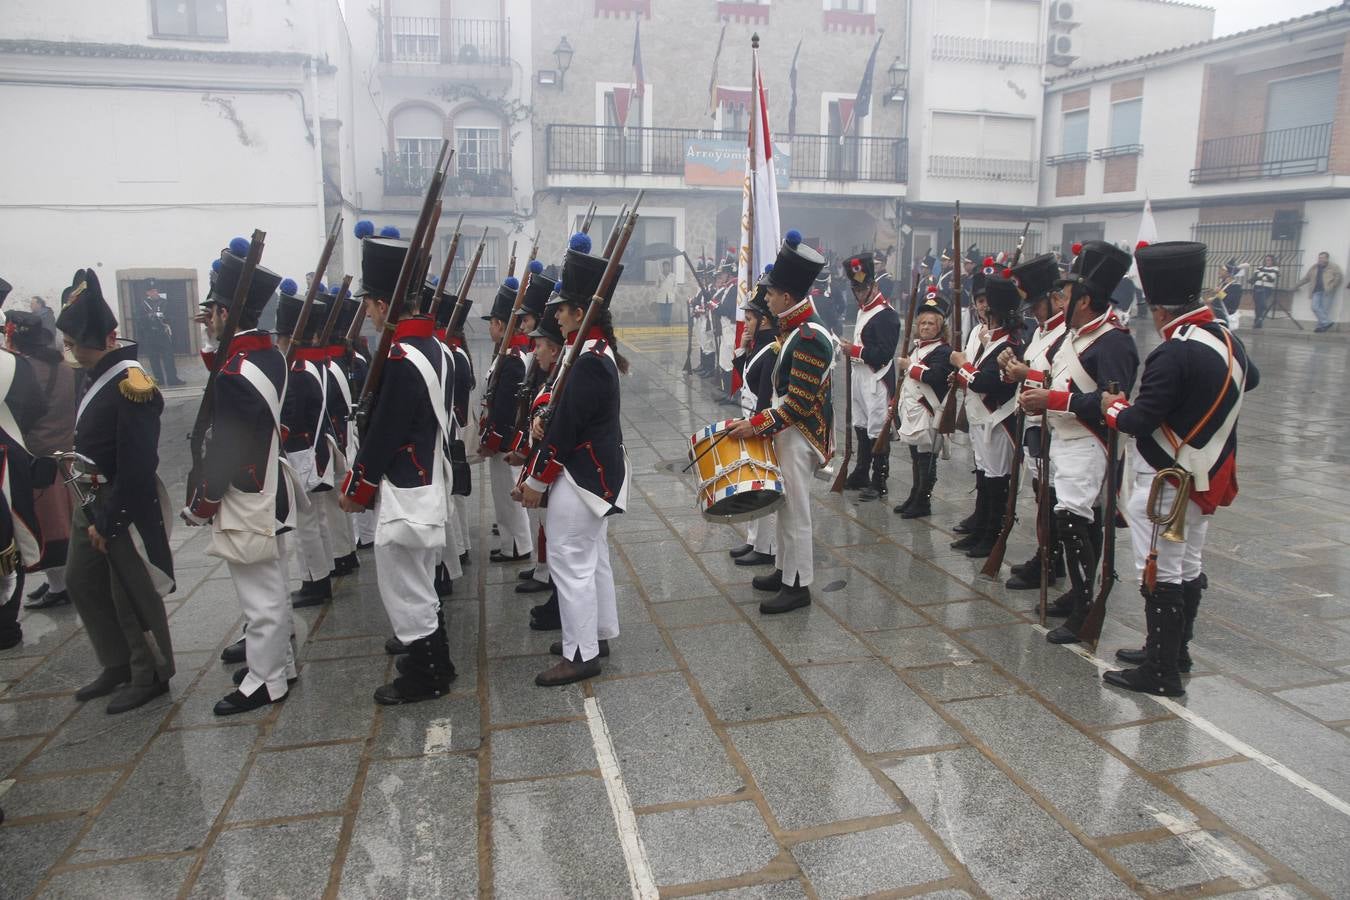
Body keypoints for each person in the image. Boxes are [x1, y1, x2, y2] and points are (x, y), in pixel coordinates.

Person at [1100, 240, 1260, 696]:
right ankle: (1173, 652)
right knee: (1187, 565)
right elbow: (1251, 379)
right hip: (1206, 471)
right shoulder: (1226, 339)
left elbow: (1139, 420)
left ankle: (1160, 671)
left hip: (1168, 477)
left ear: (1158, 309)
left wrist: (1112, 407)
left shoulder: (1173, 352)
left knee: (1160, 571)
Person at [339, 222, 456, 705]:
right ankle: (437, 662)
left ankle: (425, 676)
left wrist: (357, 487)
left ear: (385, 305)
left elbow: (385, 432)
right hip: (428, 480)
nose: (367, 312)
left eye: (370, 304)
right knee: (419, 579)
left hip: (406, 486)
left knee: (405, 585)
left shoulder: (402, 358)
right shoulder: (435, 347)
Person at [183, 240, 297, 716]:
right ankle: (280, 664)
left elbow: (225, 448)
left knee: (259, 596)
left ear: (226, 312)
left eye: (212, 312)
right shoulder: (268, 356)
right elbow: (228, 371)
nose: (207, 319)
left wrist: (202, 503)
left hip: (249, 493)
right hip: (273, 484)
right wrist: (217, 337)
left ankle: (265, 680)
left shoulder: (235, 371)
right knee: (273, 585)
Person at [56, 268, 177, 712]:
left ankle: (151, 672)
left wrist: (111, 521)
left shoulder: (130, 382)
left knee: (129, 591)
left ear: (100, 340)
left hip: (120, 498)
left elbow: (138, 464)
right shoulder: (94, 373)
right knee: (80, 579)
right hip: (89, 495)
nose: (70, 351)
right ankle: (117, 662)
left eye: (74, 343)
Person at [519, 231, 630, 686]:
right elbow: (562, 411)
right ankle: (596, 634)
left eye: (563, 309)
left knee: (571, 561)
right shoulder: (587, 353)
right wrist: (543, 416)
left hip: (583, 474)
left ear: (580, 314)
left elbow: (567, 429)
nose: (556, 316)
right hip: (591, 471)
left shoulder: (587, 360)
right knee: (590, 557)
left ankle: (581, 654)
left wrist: (536, 481)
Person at [1019, 241, 1139, 644]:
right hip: (1064, 437)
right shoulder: (1070, 336)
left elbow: (1111, 403)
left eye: (1065, 295)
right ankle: (1079, 593)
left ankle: (1085, 606)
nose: (1059, 301)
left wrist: (1052, 400)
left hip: (1089, 442)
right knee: (1076, 518)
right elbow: (1054, 379)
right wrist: (1022, 376)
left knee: (1073, 519)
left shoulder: (1114, 341)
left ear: (1084, 300)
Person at [726, 230, 833, 615]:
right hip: (787, 432)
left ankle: (798, 585)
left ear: (787, 297)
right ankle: (785, 571)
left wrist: (756, 425)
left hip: (799, 435)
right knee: (785, 507)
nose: (766, 298)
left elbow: (799, 405)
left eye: (770, 293)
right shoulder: (795, 330)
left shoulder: (808, 337)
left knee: (796, 512)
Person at [999, 252, 1068, 590]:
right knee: (1042, 494)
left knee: (1053, 498)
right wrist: (1010, 367)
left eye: (1038, 305)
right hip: (1035, 423)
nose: (1035, 313)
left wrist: (1025, 373)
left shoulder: (1066, 332)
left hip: (1057, 425)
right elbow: (1031, 370)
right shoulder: (1042, 332)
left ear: (1055, 299)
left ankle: (1051, 559)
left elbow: (1064, 380)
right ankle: (1048, 553)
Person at [5, 310, 77, 611]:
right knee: (64, 525)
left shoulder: (22, 370)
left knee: (47, 529)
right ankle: (58, 582)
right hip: (64, 453)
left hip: (37, 456)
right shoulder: (64, 366)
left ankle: (60, 586)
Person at [949, 263, 1020, 559]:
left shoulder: (1010, 342)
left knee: (996, 479)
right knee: (984, 475)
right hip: (981, 416)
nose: (982, 307)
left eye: (987, 303)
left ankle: (992, 536)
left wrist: (961, 365)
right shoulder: (987, 335)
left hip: (998, 419)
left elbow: (985, 382)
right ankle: (981, 529)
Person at [273, 279, 335, 608]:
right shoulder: (307, 366)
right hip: (312, 450)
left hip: (302, 453)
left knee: (307, 524)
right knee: (317, 520)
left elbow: (292, 419)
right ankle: (322, 573)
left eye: (281, 337)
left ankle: (315, 581)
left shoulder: (296, 371)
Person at [478, 273, 536, 563]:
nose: (490, 328)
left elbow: (504, 408)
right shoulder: (510, 354)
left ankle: (517, 546)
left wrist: (493, 441)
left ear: (500, 325)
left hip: (505, 440)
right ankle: (511, 543)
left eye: (491, 323)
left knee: (506, 495)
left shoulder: (513, 360)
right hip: (504, 438)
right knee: (503, 495)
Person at [727, 267, 780, 567]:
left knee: (763, 483)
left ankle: (767, 547)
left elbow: (764, 394)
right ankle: (754, 540)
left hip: (760, 423)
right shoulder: (758, 345)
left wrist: (758, 427)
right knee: (752, 480)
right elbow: (747, 378)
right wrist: (744, 348)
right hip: (750, 419)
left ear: (764, 320)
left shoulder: (772, 349)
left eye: (749, 319)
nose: (745, 324)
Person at [510, 267, 558, 596]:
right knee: (541, 519)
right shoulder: (537, 359)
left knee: (547, 519)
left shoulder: (549, 363)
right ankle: (543, 568)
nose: (523, 326)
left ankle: (547, 572)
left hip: (547, 453)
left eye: (527, 320)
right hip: (534, 447)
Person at [0, 275, 42, 652]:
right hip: (8, 455)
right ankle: (5, 624)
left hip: (6, 461)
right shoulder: (15, 365)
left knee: (9, 538)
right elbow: (32, 408)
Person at [840, 252, 901, 502]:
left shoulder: (886, 314)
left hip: (877, 378)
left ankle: (879, 479)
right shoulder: (863, 310)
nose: (859, 293)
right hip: (860, 375)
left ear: (874, 285)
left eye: (863, 288)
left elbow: (884, 354)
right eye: (856, 289)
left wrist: (854, 351)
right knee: (861, 423)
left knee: (878, 428)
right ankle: (862, 471)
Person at [892, 283, 953, 519]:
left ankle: (923, 501)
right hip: (913, 410)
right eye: (923, 323)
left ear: (940, 327)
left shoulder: (943, 351)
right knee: (916, 456)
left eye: (931, 323)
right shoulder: (918, 348)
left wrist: (910, 367)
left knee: (927, 459)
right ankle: (915, 494)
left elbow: (935, 377)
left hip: (929, 412)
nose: (926, 327)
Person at [136, 284, 184, 386]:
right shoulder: (143, 304)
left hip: (163, 333)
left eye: (155, 290)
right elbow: (139, 319)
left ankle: (172, 379)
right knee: (154, 359)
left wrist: (164, 318)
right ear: (147, 293)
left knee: (169, 357)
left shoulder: (165, 302)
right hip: (150, 334)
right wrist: (148, 317)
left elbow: (173, 316)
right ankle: (159, 380)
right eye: (152, 291)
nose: (154, 293)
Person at [1296, 251, 1342, 332]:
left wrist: (1332, 286)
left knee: (1324, 310)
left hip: (1327, 291)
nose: (1320, 259)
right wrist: (1296, 286)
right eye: (1319, 257)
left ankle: (1320, 327)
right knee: (1314, 307)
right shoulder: (1314, 267)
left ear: (1327, 258)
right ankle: (1327, 322)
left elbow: (1339, 277)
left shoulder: (1333, 267)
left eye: (1322, 258)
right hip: (1316, 291)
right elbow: (1306, 278)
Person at [1250, 254, 1279, 329]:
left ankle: (1259, 321)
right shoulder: (1260, 267)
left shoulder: (1275, 268)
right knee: (1257, 305)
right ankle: (1257, 320)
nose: (1267, 262)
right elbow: (1254, 277)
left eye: (1269, 260)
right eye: (1266, 260)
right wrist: (1264, 276)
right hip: (1257, 287)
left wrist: (1261, 276)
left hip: (1266, 288)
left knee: (1262, 304)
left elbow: (1271, 278)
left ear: (1272, 261)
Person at [657, 259, 675, 327]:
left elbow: (675, 285)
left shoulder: (673, 275)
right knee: (662, 309)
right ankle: (663, 322)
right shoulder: (659, 276)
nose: (666, 268)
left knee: (668, 309)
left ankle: (667, 321)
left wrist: (673, 292)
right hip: (662, 295)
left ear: (669, 267)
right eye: (665, 266)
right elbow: (656, 286)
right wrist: (659, 282)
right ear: (663, 267)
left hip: (670, 295)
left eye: (667, 266)